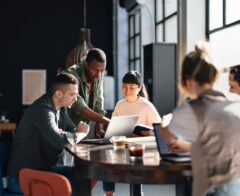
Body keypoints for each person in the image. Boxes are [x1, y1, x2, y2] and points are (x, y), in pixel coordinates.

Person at [160, 41, 240, 196]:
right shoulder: (234, 102)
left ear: (188, 81)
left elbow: (165, 134)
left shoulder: (193, 108)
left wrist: (166, 119)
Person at [7, 73, 89, 195]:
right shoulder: (42, 110)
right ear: (58, 94)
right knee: (65, 186)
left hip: (46, 171)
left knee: (82, 177)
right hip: (23, 177)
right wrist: (81, 133)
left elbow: (71, 131)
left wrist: (68, 134)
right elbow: (60, 140)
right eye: (72, 95)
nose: (75, 99)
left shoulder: (61, 109)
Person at [103, 71, 161, 196]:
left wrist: (149, 133)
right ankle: (109, 193)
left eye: (131, 87)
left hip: (140, 150)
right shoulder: (119, 105)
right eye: (124, 86)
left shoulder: (147, 106)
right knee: (105, 161)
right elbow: (113, 128)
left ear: (139, 88)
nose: (127, 90)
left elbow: (159, 131)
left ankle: (137, 193)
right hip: (122, 147)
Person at [65, 48, 110, 138]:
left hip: (83, 131)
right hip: (65, 129)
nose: (99, 74)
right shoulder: (71, 75)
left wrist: (100, 129)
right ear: (86, 64)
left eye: (102, 70)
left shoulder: (98, 76)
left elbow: (98, 104)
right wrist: (110, 123)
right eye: (95, 70)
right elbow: (79, 105)